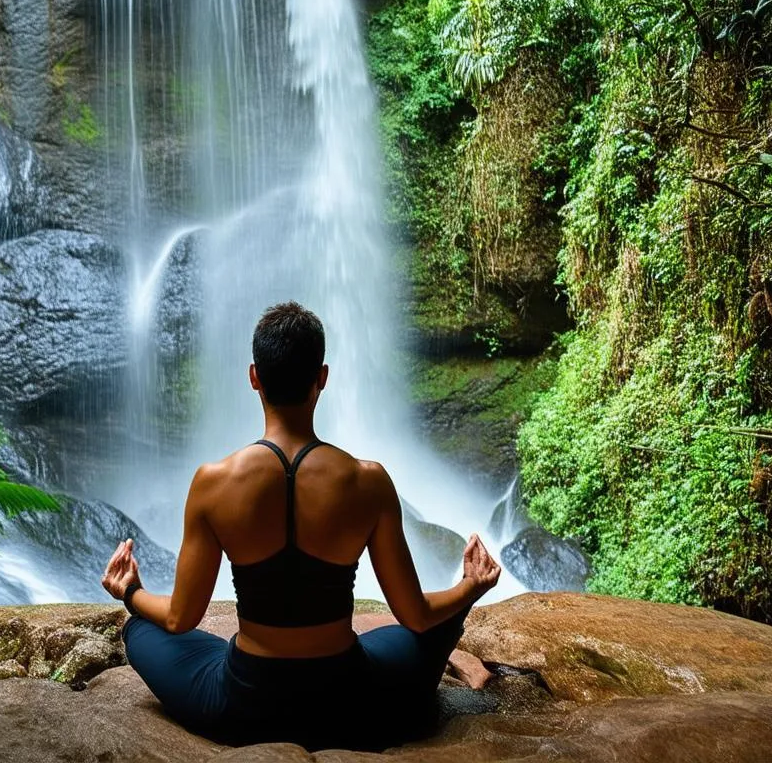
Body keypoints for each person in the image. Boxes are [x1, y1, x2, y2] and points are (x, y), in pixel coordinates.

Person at [101, 301, 501, 751]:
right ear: (322, 378)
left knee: (139, 631)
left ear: (254, 377)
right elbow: (416, 614)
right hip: (351, 701)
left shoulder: (212, 483)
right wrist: (471, 586)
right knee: (426, 632)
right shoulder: (367, 481)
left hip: (245, 703)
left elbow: (180, 618)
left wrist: (129, 593)